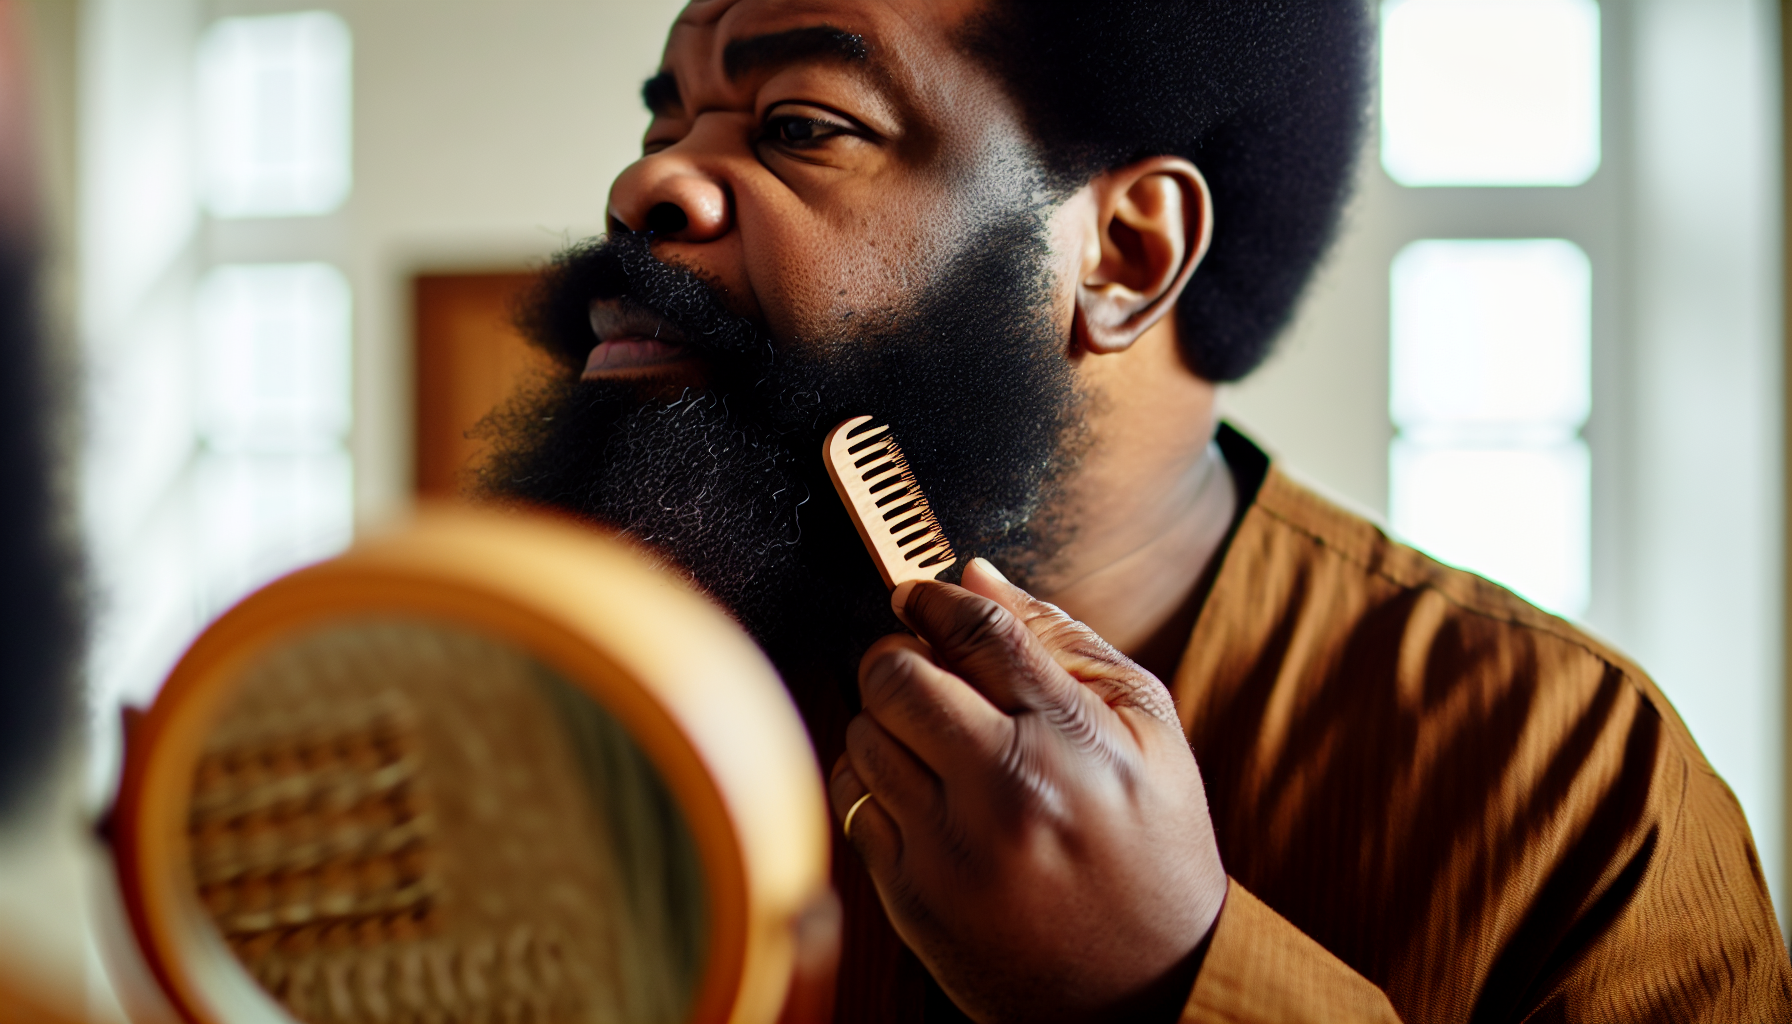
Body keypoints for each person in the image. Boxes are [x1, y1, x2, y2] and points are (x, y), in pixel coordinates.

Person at [479, 0, 1792, 1020]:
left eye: (801, 125)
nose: (646, 189)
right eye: (666, 126)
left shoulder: (1574, 788)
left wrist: (1170, 985)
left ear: (1127, 253)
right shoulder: (554, 720)